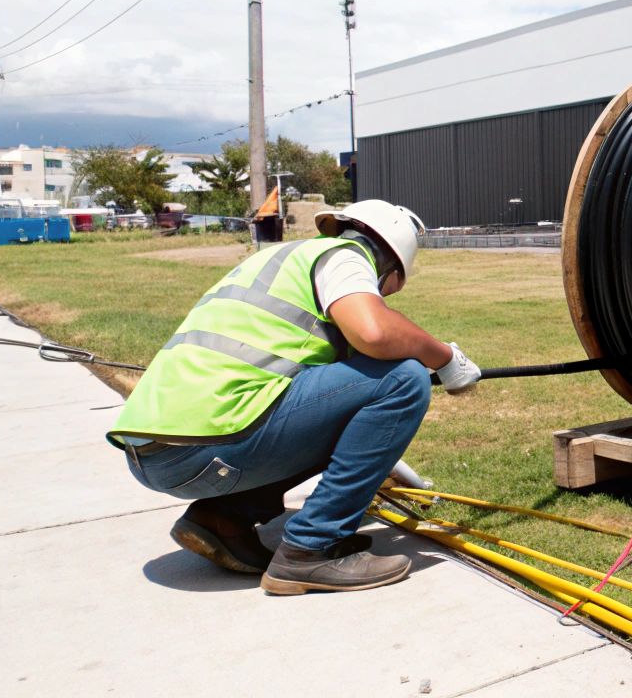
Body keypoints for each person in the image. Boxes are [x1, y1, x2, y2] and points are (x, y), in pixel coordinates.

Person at [108, 199, 483, 594]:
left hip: (156, 452)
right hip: (206, 447)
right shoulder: (347, 256)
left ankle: (223, 518)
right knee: (404, 377)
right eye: (388, 289)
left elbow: (335, 399)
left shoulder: (284, 259)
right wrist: (444, 357)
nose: (383, 297)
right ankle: (311, 548)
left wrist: (380, 454)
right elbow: (374, 332)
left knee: (386, 379)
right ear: (392, 268)